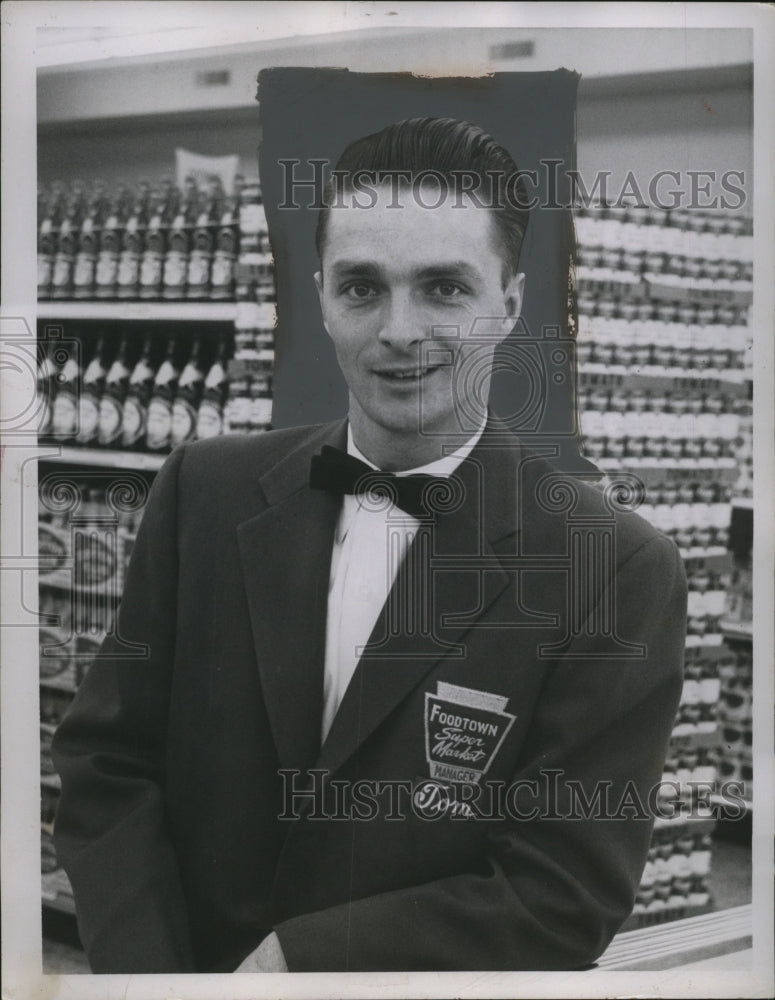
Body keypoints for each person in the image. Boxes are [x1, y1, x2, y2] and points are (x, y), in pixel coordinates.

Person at [52, 117, 687, 974]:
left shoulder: (609, 565)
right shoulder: (203, 489)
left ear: (511, 301)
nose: (398, 329)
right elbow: (109, 763)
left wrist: (298, 962)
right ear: (319, 296)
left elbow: (561, 890)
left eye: (443, 289)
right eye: (361, 287)